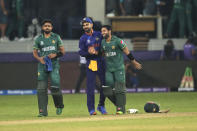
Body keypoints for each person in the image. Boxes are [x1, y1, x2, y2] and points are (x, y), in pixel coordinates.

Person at [100, 25, 142, 114]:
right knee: (107, 90)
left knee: (119, 89)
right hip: (109, 69)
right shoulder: (102, 42)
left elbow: (127, 51)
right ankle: (120, 105)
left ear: (109, 31)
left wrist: (133, 61)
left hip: (119, 69)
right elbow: (102, 53)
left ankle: (120, 109)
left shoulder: (118, 41)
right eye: (102, 31)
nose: (102, 33)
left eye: (104, 31)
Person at [33, 19, 65, 117]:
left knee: (55, 86)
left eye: (49, 26)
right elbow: (34, 52)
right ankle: (43, 112)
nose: (47, 27)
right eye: (45, 26)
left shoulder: (56, 37)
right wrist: (40, 59)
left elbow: (63, 52)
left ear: (51, 28)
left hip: (54, 65)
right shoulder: (38, 39)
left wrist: (55, 55)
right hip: (42, 66)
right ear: (42, 28)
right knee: (41, 89)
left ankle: (59, 105)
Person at [78, 17, 107, 115]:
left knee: (104, 85)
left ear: (92, 25)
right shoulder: (83, 38)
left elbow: (105, 45)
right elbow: (81, 52)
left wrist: (99, 51)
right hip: (91, 62)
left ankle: (101, 106)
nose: (85, 26)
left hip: (101, 61)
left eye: (87, 24)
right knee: (90, 87)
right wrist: (89, 53)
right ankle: (91, 109)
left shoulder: (99, 34)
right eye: (84, 25)